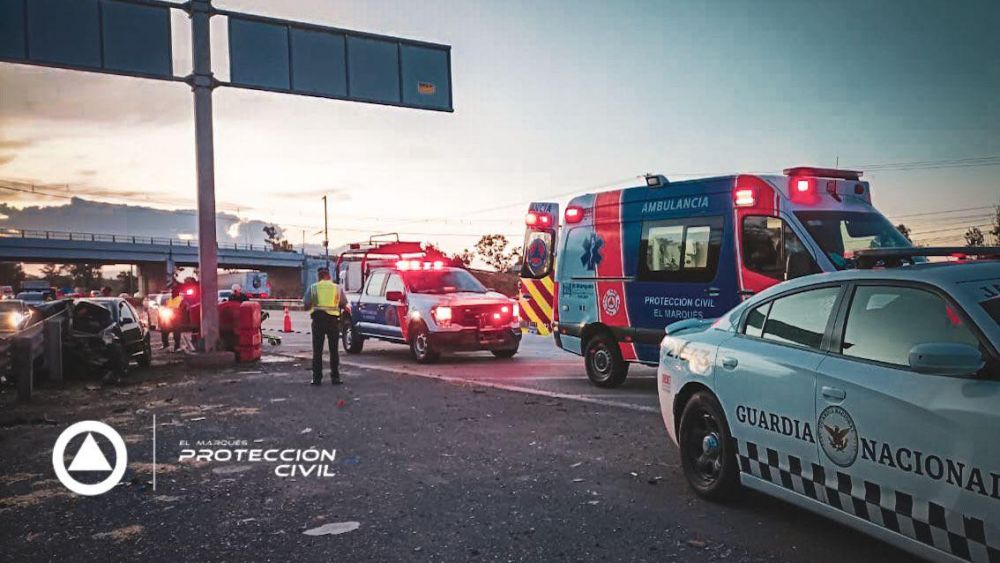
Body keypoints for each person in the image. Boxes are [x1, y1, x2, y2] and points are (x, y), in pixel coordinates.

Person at [303, 267, 346, 385]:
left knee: (317, 351)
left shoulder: (313, 288)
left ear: (319, 276)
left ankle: (317, 379)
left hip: (318, 321)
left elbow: (306, 305)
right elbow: (343, 303)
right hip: (333, 321)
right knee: (334, 351)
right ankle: (335, 377)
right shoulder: (337, 288)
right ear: (329, 276)